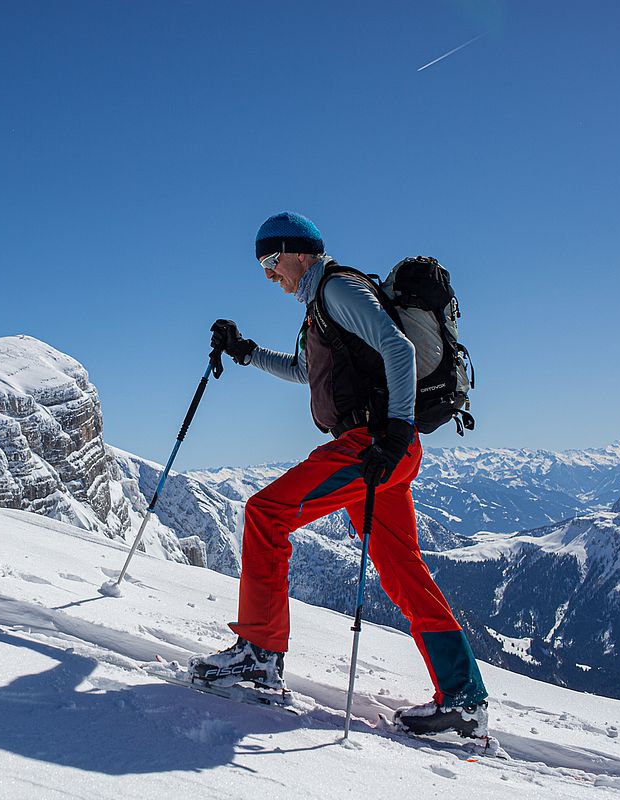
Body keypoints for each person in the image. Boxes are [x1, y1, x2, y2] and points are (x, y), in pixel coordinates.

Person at [189, 211, 489, 738]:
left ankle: (258, 655)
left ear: (298, 251)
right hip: (383, 449)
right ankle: (463, 699)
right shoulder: (318, 309)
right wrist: (247, 352)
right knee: (401, 567)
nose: (267, 274)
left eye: (269, 260)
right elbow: (307, 372)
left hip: (373, 445)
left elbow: (400, 349)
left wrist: (394, 431)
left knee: (266, 513)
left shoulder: (338, 289)